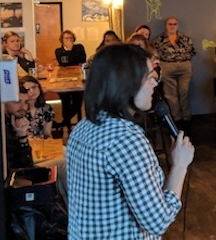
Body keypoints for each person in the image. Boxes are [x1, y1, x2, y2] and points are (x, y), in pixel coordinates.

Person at [67, 44, 194, 238]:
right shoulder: (126, 140)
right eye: (149, 76)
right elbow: (158, 222)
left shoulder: (83, 127)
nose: (154, 83)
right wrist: (179, 165)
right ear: (125, 82)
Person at [152, 17, 196, 132]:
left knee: (184, 92)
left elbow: (192, 51)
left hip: (184, 66)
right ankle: (177, 120)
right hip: (167, 66)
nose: (172, 26)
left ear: (177, 25)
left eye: (174, 24)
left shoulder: (184, 38)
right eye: (169, 24)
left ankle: (187, 119)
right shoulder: (159, 39)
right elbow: (154, 54)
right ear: (166, 25)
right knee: (171, 95)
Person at [54, 30, 87, 131]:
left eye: (70, 38)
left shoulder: (79, 47)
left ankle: (63, 122)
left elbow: (81, 59)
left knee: (78, 102)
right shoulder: (58, 51)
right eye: (66, 38)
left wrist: (71, 50)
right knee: (65, 101)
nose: (68, 40)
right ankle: (66, 125)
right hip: (63, 78)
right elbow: (63, 63)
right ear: (62, 40)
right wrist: (68, 51)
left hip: (77, 77)